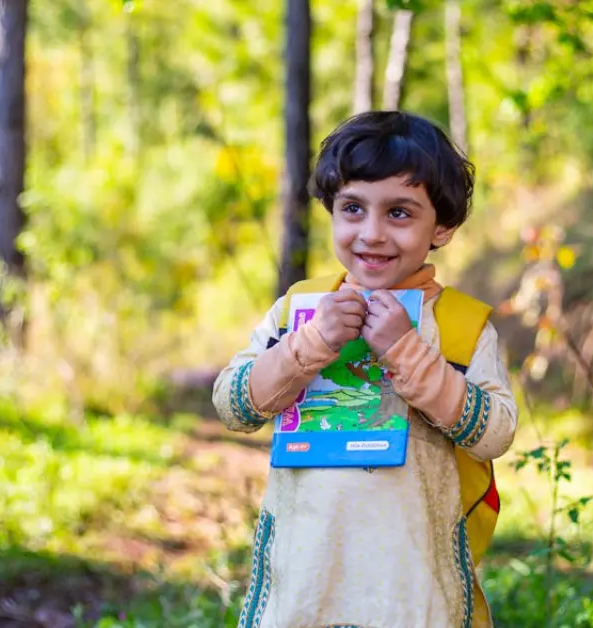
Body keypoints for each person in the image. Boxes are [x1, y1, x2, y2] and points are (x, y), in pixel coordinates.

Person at [212, 111, 518, 628]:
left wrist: (405, 350)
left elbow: (494, 433)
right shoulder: (299, 310)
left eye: (399, 213)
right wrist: (308, 345)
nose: (371, 234)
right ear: (331, 210)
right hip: (305, 583)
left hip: (413, 590)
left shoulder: (464, 326)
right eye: (353, 208)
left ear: (441, 226)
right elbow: (233, 405)